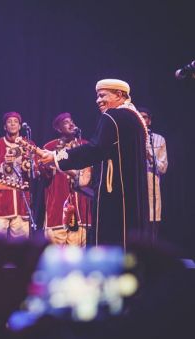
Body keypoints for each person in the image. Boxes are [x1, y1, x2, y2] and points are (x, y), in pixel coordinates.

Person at [40, 79, 149, 248]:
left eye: (102, 95)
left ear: (119, 95)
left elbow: (95, 149)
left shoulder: (113, 116)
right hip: (133, 193)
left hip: (115, 193)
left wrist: (56, 157)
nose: (98, 101)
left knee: (111, 241)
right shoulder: (135, 119)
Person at [41, 113, 91, 247]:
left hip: (80, 207)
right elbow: (43, 174)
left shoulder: (84, 145)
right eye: (65, 122)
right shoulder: (49, 148)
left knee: (77, 253)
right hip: (57, 206)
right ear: (58, 129)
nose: (71, 124)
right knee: (56, 252)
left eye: (72, 121)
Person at [0, 111, 34, 238]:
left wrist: (30, 166)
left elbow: (36, 170)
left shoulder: (29, 145)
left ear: (19, 126)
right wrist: (4, 164)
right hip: (1, 202)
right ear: (4, 126)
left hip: (22, 202)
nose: (13, 124)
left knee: (21, 247)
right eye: (9, 122)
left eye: (16, 122)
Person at [138, 107, 168, 239]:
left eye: (144, 117)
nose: (142, 120)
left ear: (149, 121)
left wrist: (150, 157)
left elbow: (163, 168)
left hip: (152, 192)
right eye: (139, 117)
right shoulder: (129, 140)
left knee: (151, 231)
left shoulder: (159, 140)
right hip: (134, 191)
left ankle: (151, 259)